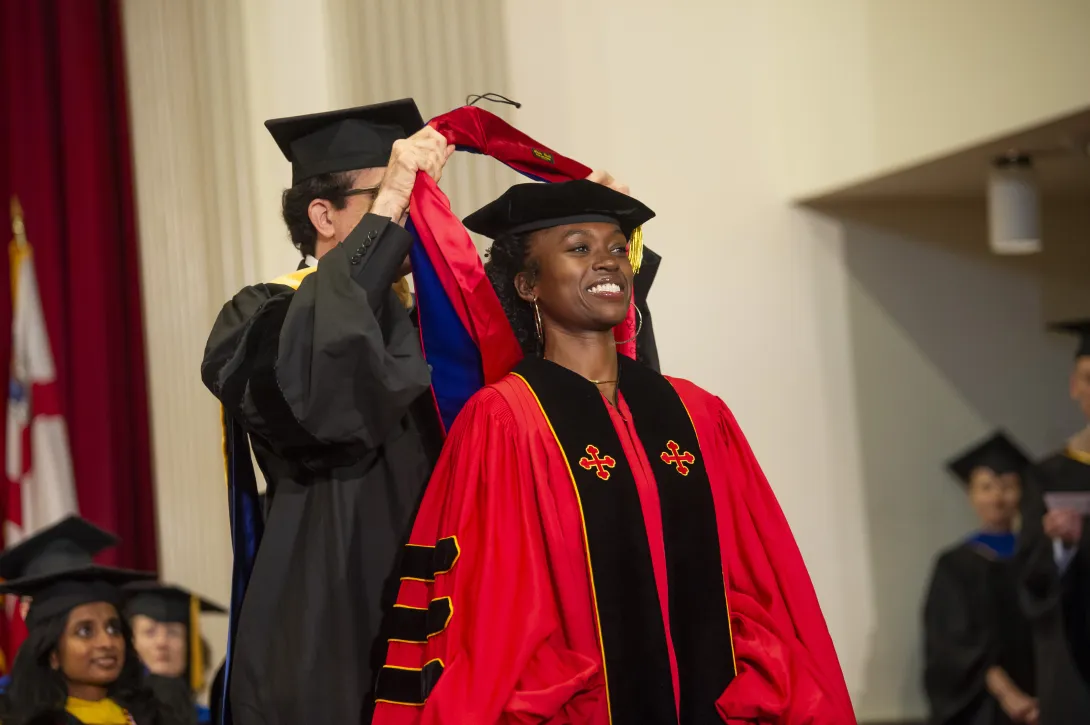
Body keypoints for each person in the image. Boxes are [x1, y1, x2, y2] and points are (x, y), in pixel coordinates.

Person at [202, 99, 647, 724]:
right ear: (323, 215)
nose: (415, 209)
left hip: (461, 622)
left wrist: (586, 231)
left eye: (421, 192)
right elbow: (323, 393)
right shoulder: (266, 316)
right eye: (396, 190)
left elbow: (575, 373)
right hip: (331, 621)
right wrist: (388, 206)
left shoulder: (456, 326)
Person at [369, 179, 855, 724]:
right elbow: (492, 612)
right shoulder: (505, 421)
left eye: (618, 248)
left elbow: (760, 578)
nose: (607, 262)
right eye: (579, 248)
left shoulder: (695, 413)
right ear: (528, 284)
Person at [0, 516, 177, 725]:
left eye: (113, 629)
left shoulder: (152, 715)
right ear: (53, 654)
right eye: (85, 631)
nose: (107, 642)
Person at [923, 432, 1037, 725]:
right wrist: (1009, 695)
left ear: (1022, 493)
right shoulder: (953, 566)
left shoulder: (1039, 558)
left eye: (1008, 486)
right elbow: (953, 646)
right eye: (986, 487)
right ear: (971, 495)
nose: (997, 498)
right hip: (983, 708)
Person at [1014, 320, 1090, 723]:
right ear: (1074, 387)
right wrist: (1062, 548)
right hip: (1073, 664)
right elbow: (1028, 576)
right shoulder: (1046, 477)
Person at [123, 583, 226, 725]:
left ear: (190, 645)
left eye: (173, 632)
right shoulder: (118, 715)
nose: (162, 642)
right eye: (150, 632)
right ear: (130, 643)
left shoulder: (213, 718)